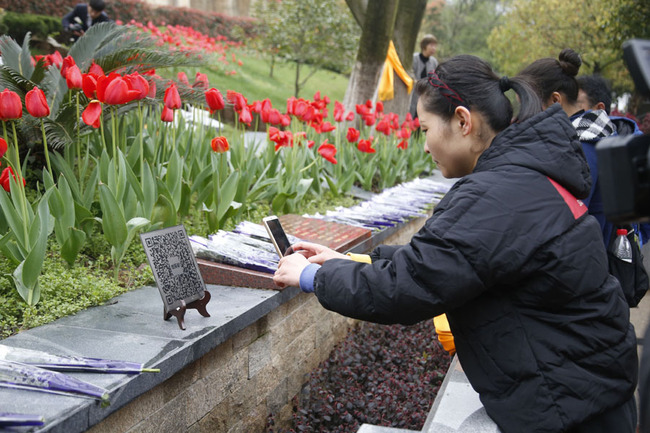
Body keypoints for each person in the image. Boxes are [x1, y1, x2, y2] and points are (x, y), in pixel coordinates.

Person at [273, 54, 638, 433]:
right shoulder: (520, 179)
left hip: (572, 412)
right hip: (587, 396)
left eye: (425, 128)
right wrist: (346, 260)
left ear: (463, 121)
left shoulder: (495, 195)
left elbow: (405, 289)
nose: (425, 145)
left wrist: (313, 278)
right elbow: (447, 260)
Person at [519, 52, 648, 247]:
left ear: (555, 101)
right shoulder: (596, 135)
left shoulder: (579, 147)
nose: (523, 116)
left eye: (528, 105)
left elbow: (562, 229)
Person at [408, 34, 438, 120]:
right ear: (424, 45)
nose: (434, 48)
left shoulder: (434, 62)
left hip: (426, 95)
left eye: (435, 46)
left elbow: (435, 77)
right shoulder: (415, 58)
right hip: (413, 93)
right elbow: (410, 73)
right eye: (431, 45)